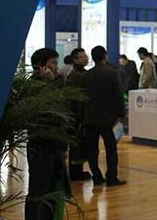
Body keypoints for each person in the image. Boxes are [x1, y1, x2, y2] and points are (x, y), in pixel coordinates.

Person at [25, 48, 71, 220]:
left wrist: (63, 146)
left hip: (55, 145)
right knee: (39, 190)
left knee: (53, 188)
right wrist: (49, 85)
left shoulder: (57, 82)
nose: (56, 66)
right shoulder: (32, 87)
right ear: (41, 66)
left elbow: (63, 112)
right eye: (53, 63)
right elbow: (46, 113)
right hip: (40, 146)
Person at [81, 46, 126, 187]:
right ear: (105, 56)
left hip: (90, 117)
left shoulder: (86, 75)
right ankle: (111, 176)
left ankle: (97, 176)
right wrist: (121, 114)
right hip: (107, 118)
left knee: (92, 149)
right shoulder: (111, 73)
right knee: (110, 148)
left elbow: (81, 97)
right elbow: (117, 95)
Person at [65, 48, 92, 181]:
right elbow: (74, 97)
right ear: (75, 60)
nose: (85, 58)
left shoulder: (83, 73)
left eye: (85, 56)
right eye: (81, 57)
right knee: (76, 145)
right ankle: (75, 173)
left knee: (80, 144)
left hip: (82, 114)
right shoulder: (74, 75)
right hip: (76, 116)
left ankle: (78, 171)